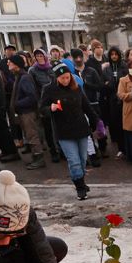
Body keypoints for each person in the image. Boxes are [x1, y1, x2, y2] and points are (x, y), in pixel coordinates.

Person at [39, 62, 100, 201]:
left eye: (67, 77)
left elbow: (86, 106)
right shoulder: (49, 90)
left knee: (83, 159)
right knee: (74, 160)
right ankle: (80, 188)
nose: (65, 80)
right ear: (56, 78)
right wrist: (50, 108)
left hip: (81, 129)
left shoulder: (76, 88)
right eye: (62, 78)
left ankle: (82, 182)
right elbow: (41, 109)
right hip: (64, 131)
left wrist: (95, 120)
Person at [7, 54, 46, 169]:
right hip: (23, 112)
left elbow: (31, 97)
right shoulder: (19, 76)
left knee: (32, 135)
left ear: (16, 65)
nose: (8, 63)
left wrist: (16, 104)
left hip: (27, 112)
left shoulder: (24, 78)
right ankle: (35, 157)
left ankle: (39, 159)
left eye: (10, 62)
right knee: (29, 135)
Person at [101, 47, 128, 157]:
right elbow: (106, 84)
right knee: (116, 124)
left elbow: (125, 82)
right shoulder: (107, 69)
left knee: (126, 123)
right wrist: (110, 83)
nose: (114, 56)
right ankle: (121, 147)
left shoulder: (124, 67)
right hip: (112, 100)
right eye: (112, 54)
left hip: (124, 99)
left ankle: (128, 146)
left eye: (116, 54)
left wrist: (111, 83)